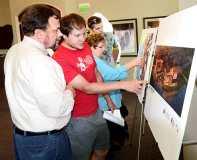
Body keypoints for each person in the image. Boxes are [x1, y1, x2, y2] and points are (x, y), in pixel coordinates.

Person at [53, 13, 144, 160]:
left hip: (96, 110)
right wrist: (124, 84)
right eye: (77, 35)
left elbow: (96, 73)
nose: (83, 39)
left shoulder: (84, 47)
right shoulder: (60, 58)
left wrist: (108, 99)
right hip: (78, 119)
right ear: (64, 34)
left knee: (103, 150)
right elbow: (87, 87)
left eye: (84, 33)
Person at [4, 4, 75, 160]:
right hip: (46, 143)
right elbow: (57, 108)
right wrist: (70, 92)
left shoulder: (14, 51)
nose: (60, 35)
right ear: (38, 33)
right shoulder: (42, 63)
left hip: (23, 137)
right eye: (55, 30)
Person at [86, 33, 142, 148]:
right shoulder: (95, 61)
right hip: (105, 102)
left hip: (109, 98)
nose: (104, 49)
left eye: (104, 46)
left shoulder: (96, 59)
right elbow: (113, 74)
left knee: (114, 130)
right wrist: (133, 63)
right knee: (112, 133)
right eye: (100, 47)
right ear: (91, 47)